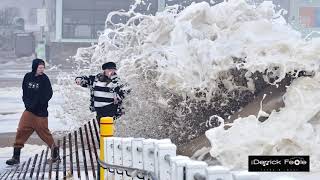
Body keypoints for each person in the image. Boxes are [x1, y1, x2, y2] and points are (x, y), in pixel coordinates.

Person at [6, 59, 59, 165]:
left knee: (45, 135)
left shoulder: (45, 79)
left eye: (43, 67)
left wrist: (40, 103)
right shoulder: (28, 76)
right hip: (28, 111)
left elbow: (49, 94)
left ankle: (55, 156)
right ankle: (16, 157)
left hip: (40, 113)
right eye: (40, 67)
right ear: (35, 67)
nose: (42, 69)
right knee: (21, 131)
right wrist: (27, 103)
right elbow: (24, 91)